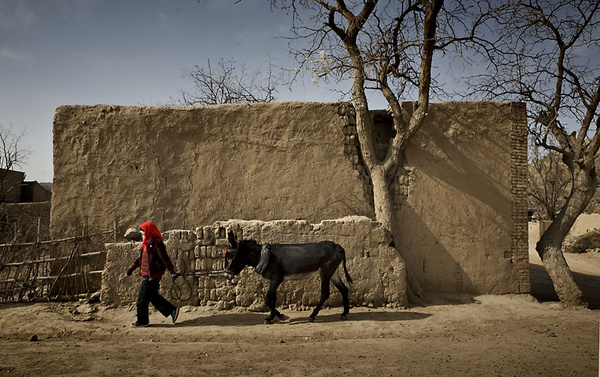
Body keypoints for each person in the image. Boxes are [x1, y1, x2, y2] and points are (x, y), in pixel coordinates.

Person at [127, 221, 180, 327]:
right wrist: (132, 267)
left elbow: (164, 257)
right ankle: (172, 310)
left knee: (141, 299)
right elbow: (141, 258)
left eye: (143, 233)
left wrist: (172, 272)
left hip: (152, 275)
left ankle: (142, 321)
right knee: (152, 296)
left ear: (148, 231)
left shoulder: (156, 242)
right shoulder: (146, 244)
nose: (142, 235)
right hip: (147, 274)